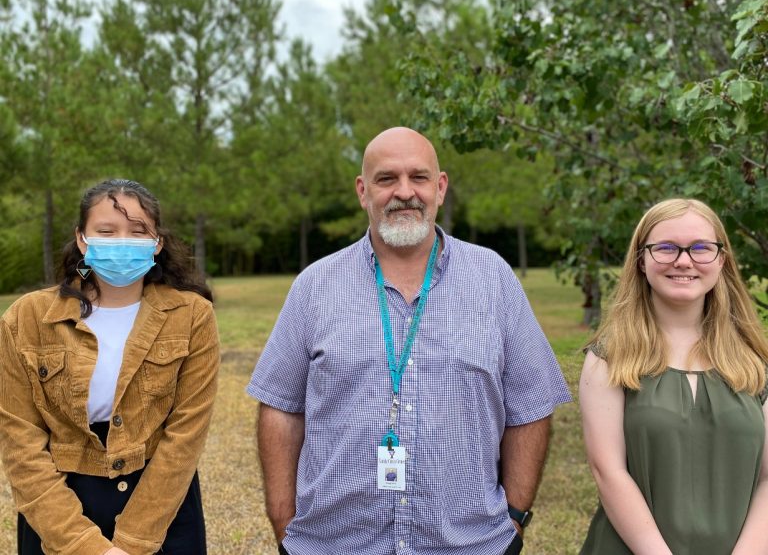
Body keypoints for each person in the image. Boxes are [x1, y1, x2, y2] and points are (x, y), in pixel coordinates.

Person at [248, 127, 571, 555]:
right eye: (387, 179)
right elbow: (280, 408)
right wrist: (284, 523)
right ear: (363, 191)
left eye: (419, 178)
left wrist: (514, 519)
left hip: (469, 545)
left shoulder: (493, 279)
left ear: (440, 187)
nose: (405, 192)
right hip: (333, 545)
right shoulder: (315, 285)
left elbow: (530, 406)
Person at [0, 179, 220, 555]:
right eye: (106, 231)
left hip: (161, 507)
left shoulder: (192, 316)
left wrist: (133, 542)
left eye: (137, 232)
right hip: (61, 512)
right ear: (83, 240)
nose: (122, 242)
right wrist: (84, 545)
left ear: (157, 243)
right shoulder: (27, 318)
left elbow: (184, 440)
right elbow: (20, 444)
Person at [579, 198, 768, 554]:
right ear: (641, 260)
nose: (684, 260)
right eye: (666, 248)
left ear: (721, 260)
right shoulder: (609, 358)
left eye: (701, 248)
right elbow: (608, 472)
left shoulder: (755, 361)